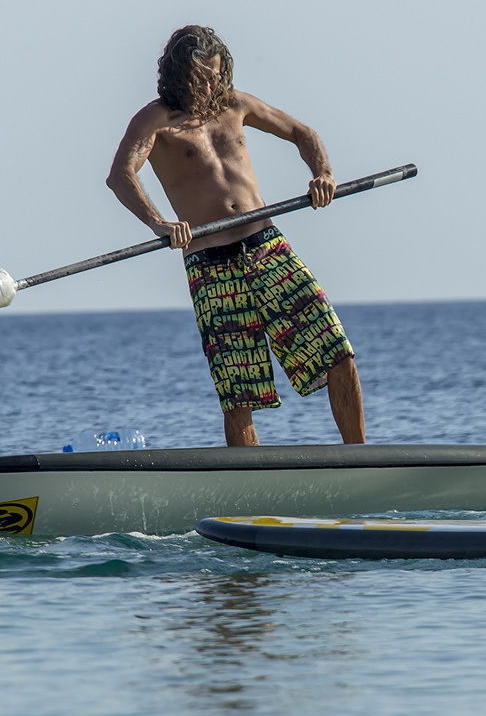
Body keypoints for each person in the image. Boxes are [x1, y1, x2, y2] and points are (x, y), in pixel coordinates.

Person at [106, 25, 364, 447]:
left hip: (267, 248)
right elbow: (120, 175)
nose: (210, 86)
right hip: (211, 265)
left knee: (337, 352)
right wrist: (158, 222)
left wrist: (323, 174)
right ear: (177, 74)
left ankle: (359, 459)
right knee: (238, 392)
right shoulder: (156, 120)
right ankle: (252, 478)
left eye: (215, 76)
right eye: (200, 78)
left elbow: (302, 133)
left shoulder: (235, 104)